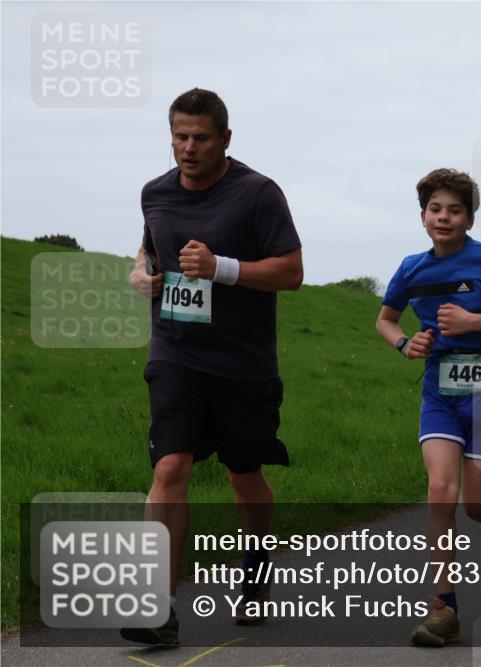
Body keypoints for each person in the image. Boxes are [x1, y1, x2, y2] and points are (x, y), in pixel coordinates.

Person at [122, 88, 303, 645]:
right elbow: (148, 250)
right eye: (179, 136)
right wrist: (140, 276)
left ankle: (254, 574)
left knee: (242, 474)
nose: (188, 147)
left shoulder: (257, 193)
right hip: (175, 352)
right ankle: (159, 606)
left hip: (242, 363)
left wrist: (221, 269)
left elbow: (291, 271)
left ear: (225, 138)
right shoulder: (155, 193)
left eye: (200, 137)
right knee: (170, 468)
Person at [375, 168, 481, 647]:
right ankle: (444, 608)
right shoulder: (412, 268)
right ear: (423, 215)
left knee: (474, 503)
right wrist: (406, 342)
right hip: (440, 392)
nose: (443, 217)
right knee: (440, 489)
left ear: (469, 217)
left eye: (454, 209)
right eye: (435, 209)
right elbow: (385, 320)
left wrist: (474, 320)